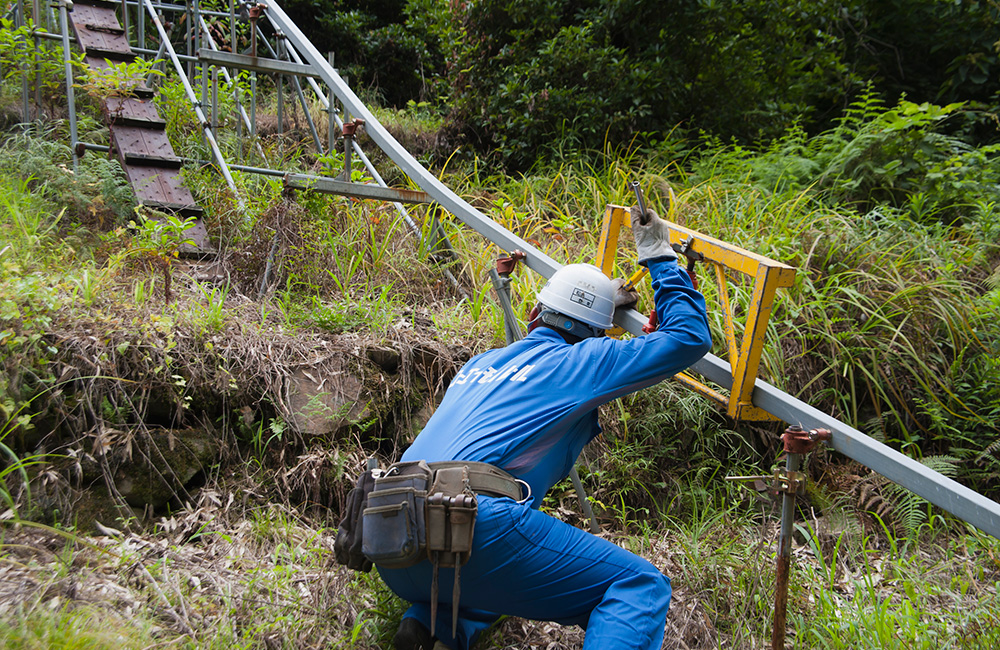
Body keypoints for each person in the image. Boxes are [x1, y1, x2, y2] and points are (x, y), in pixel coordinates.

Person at [380, 205, 712, 650]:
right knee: (639, 586)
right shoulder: (585, 359)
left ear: (537, 313)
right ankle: (440, 622)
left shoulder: (483, 363)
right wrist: (659, 259)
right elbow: (688, 339)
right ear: (598, 331)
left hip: (392, 538)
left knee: (516, 568)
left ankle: (432, 624)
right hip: (474, 528)